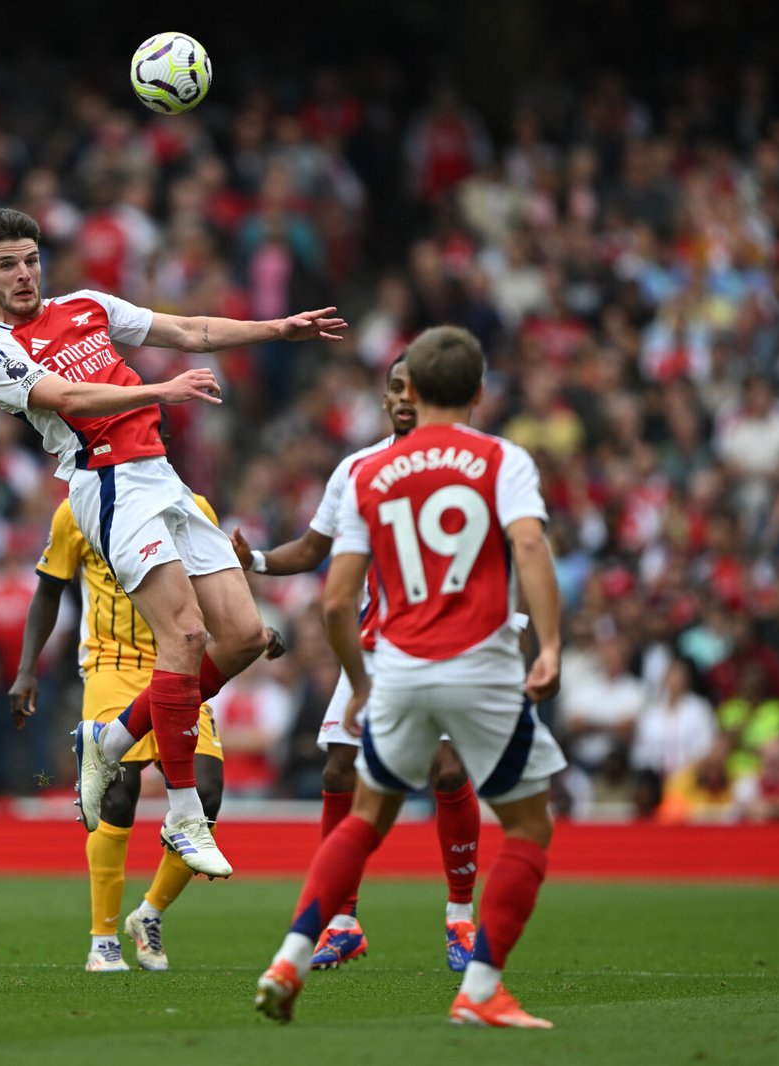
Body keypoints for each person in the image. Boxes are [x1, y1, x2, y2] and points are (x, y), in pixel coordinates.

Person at [0, 207, 345, 879]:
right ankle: (180, 815)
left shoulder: (85, 304)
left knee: (245, 637)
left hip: (161, 476)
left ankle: (109, 740)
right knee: (187, 637)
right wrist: (160, 388)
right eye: (6, 265)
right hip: (107, 482)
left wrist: (277, 329)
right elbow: (67, 398)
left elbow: (191, 329)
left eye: (29, 259)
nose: (23, 274)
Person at [254, 325, 566, 1029]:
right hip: (481, 666)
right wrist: (549, 645)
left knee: (366, 817)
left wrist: (362, 683)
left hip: (396, 665)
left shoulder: (370, 474)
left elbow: (337, 599)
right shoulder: (501, 459)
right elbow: (528, 546)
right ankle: (482, 990)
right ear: (480, 394)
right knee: (527, 823)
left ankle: (289, 958)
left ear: (412, 392)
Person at [232, 352, 484, 972]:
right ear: (384, 399)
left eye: (415, 388)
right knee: (340, 769)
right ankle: (342, 921)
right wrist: (257, 560)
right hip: (373, 647)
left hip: (442, 643)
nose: (404, 397)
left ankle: (460, 917)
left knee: (446, 769)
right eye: (395, 387)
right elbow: (316, 548)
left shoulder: (470, 462)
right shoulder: (356, 469)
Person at [10, 490, 285, 972]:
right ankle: (103, 940)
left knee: (209, 790)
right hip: (112, 664)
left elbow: (215, 581)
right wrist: (27, 669)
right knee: (118, 795)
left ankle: (149, 914)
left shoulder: (193, 505)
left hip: (179, 661)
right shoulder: (76, 509)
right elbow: (49, 589)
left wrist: (251, 631)